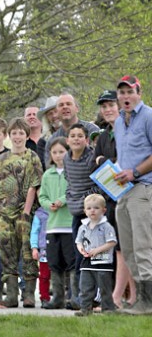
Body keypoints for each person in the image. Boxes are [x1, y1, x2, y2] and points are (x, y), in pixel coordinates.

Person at [0, 117, 43, 308]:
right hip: (3, 213)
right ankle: (11, 295)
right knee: (6, 252)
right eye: (14, 133)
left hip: (24, 212)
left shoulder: (32, 157)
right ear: (9, 136)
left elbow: (33, 185)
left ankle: (28, 294)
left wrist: (26, 211)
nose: (17, 136)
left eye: (21, 133)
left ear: (26, 135)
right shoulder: (1, 159)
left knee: (27, 252)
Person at [92, 89, 136, 309]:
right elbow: (95, 162)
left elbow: (126, 161)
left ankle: (123, 297)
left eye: (110, 105)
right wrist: (105, 161)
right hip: (111, 197)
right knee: (120, 248)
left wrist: (104, 160)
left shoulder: (129, 129)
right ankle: (127, 297)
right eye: (104, 106)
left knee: (130, 248)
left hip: (133, 194)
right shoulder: (103, 135)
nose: (107, 109)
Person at [113, 75, 152, 315]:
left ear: (139, 92)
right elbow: (124, 157)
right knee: (127, 248)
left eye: (130, 92)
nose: (126, 97)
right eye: (122, 93)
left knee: (143, 246)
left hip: (143, 188)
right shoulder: (118, 122)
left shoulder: (148, 116)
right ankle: (140, 301)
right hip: (122, 191)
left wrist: (135, 172)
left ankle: (149, 301)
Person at [64, 123, 101, 310]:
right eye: (73, 136)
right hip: (76, 214)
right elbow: (69, 183)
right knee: (78, 254)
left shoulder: (91, 158)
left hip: (92, 214)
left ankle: (92, 297)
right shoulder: (66, 159)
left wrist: (85, 203)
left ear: (86, 140)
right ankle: (80, 296)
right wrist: (74, 201)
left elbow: (99, 185)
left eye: (80, 136)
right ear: (67, 140)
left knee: (90, 255)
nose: (76, 139)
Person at [39, 137, 75, 309]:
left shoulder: (72, 171)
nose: (58, 155)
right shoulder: (48, 174)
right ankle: (58, 298)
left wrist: (62, 200)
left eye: (62, 151)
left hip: (69, 225)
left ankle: (74, 298)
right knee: (54, 263)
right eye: (55, 152)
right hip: (53, 226)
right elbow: (42, 196)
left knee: (72, 263)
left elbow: (73, 190)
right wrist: (48, 204)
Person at [74, 194, 117, 316]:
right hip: (87, 262)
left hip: (103, 262)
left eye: (96, 208)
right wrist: (81, 249)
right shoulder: (83, 227)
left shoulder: (106, 226)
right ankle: (85, 309)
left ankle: (108, 309)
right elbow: (78, 241)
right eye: (89, 208)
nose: (92, 210)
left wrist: (97, 250)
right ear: (84, 211)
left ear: (104, 210)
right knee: (85, 287)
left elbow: (112, 242)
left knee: (104, 288)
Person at [44, 93, 99, 166]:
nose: (65, 107)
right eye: (61, 105)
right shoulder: (52, 140)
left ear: (77, 109)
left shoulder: (93, 130)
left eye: (68, 104)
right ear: (57, 111)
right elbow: (50, 167)